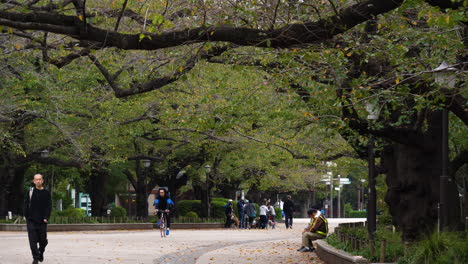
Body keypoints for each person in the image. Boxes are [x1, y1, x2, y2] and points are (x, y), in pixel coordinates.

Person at [23, 174, 51, 264]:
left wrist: (46, 217)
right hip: (31, 220)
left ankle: (41, 252)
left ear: (42, 180)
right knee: (32, 240)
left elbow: (48, 206)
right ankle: (35, 258)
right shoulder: (30, 191)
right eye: (36, 179)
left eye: (40, 179)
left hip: (42, 220)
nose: (38, 181)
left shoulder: (46, 192)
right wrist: (26, 216)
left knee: (43, 240)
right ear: (33, 181)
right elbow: (25, 204)